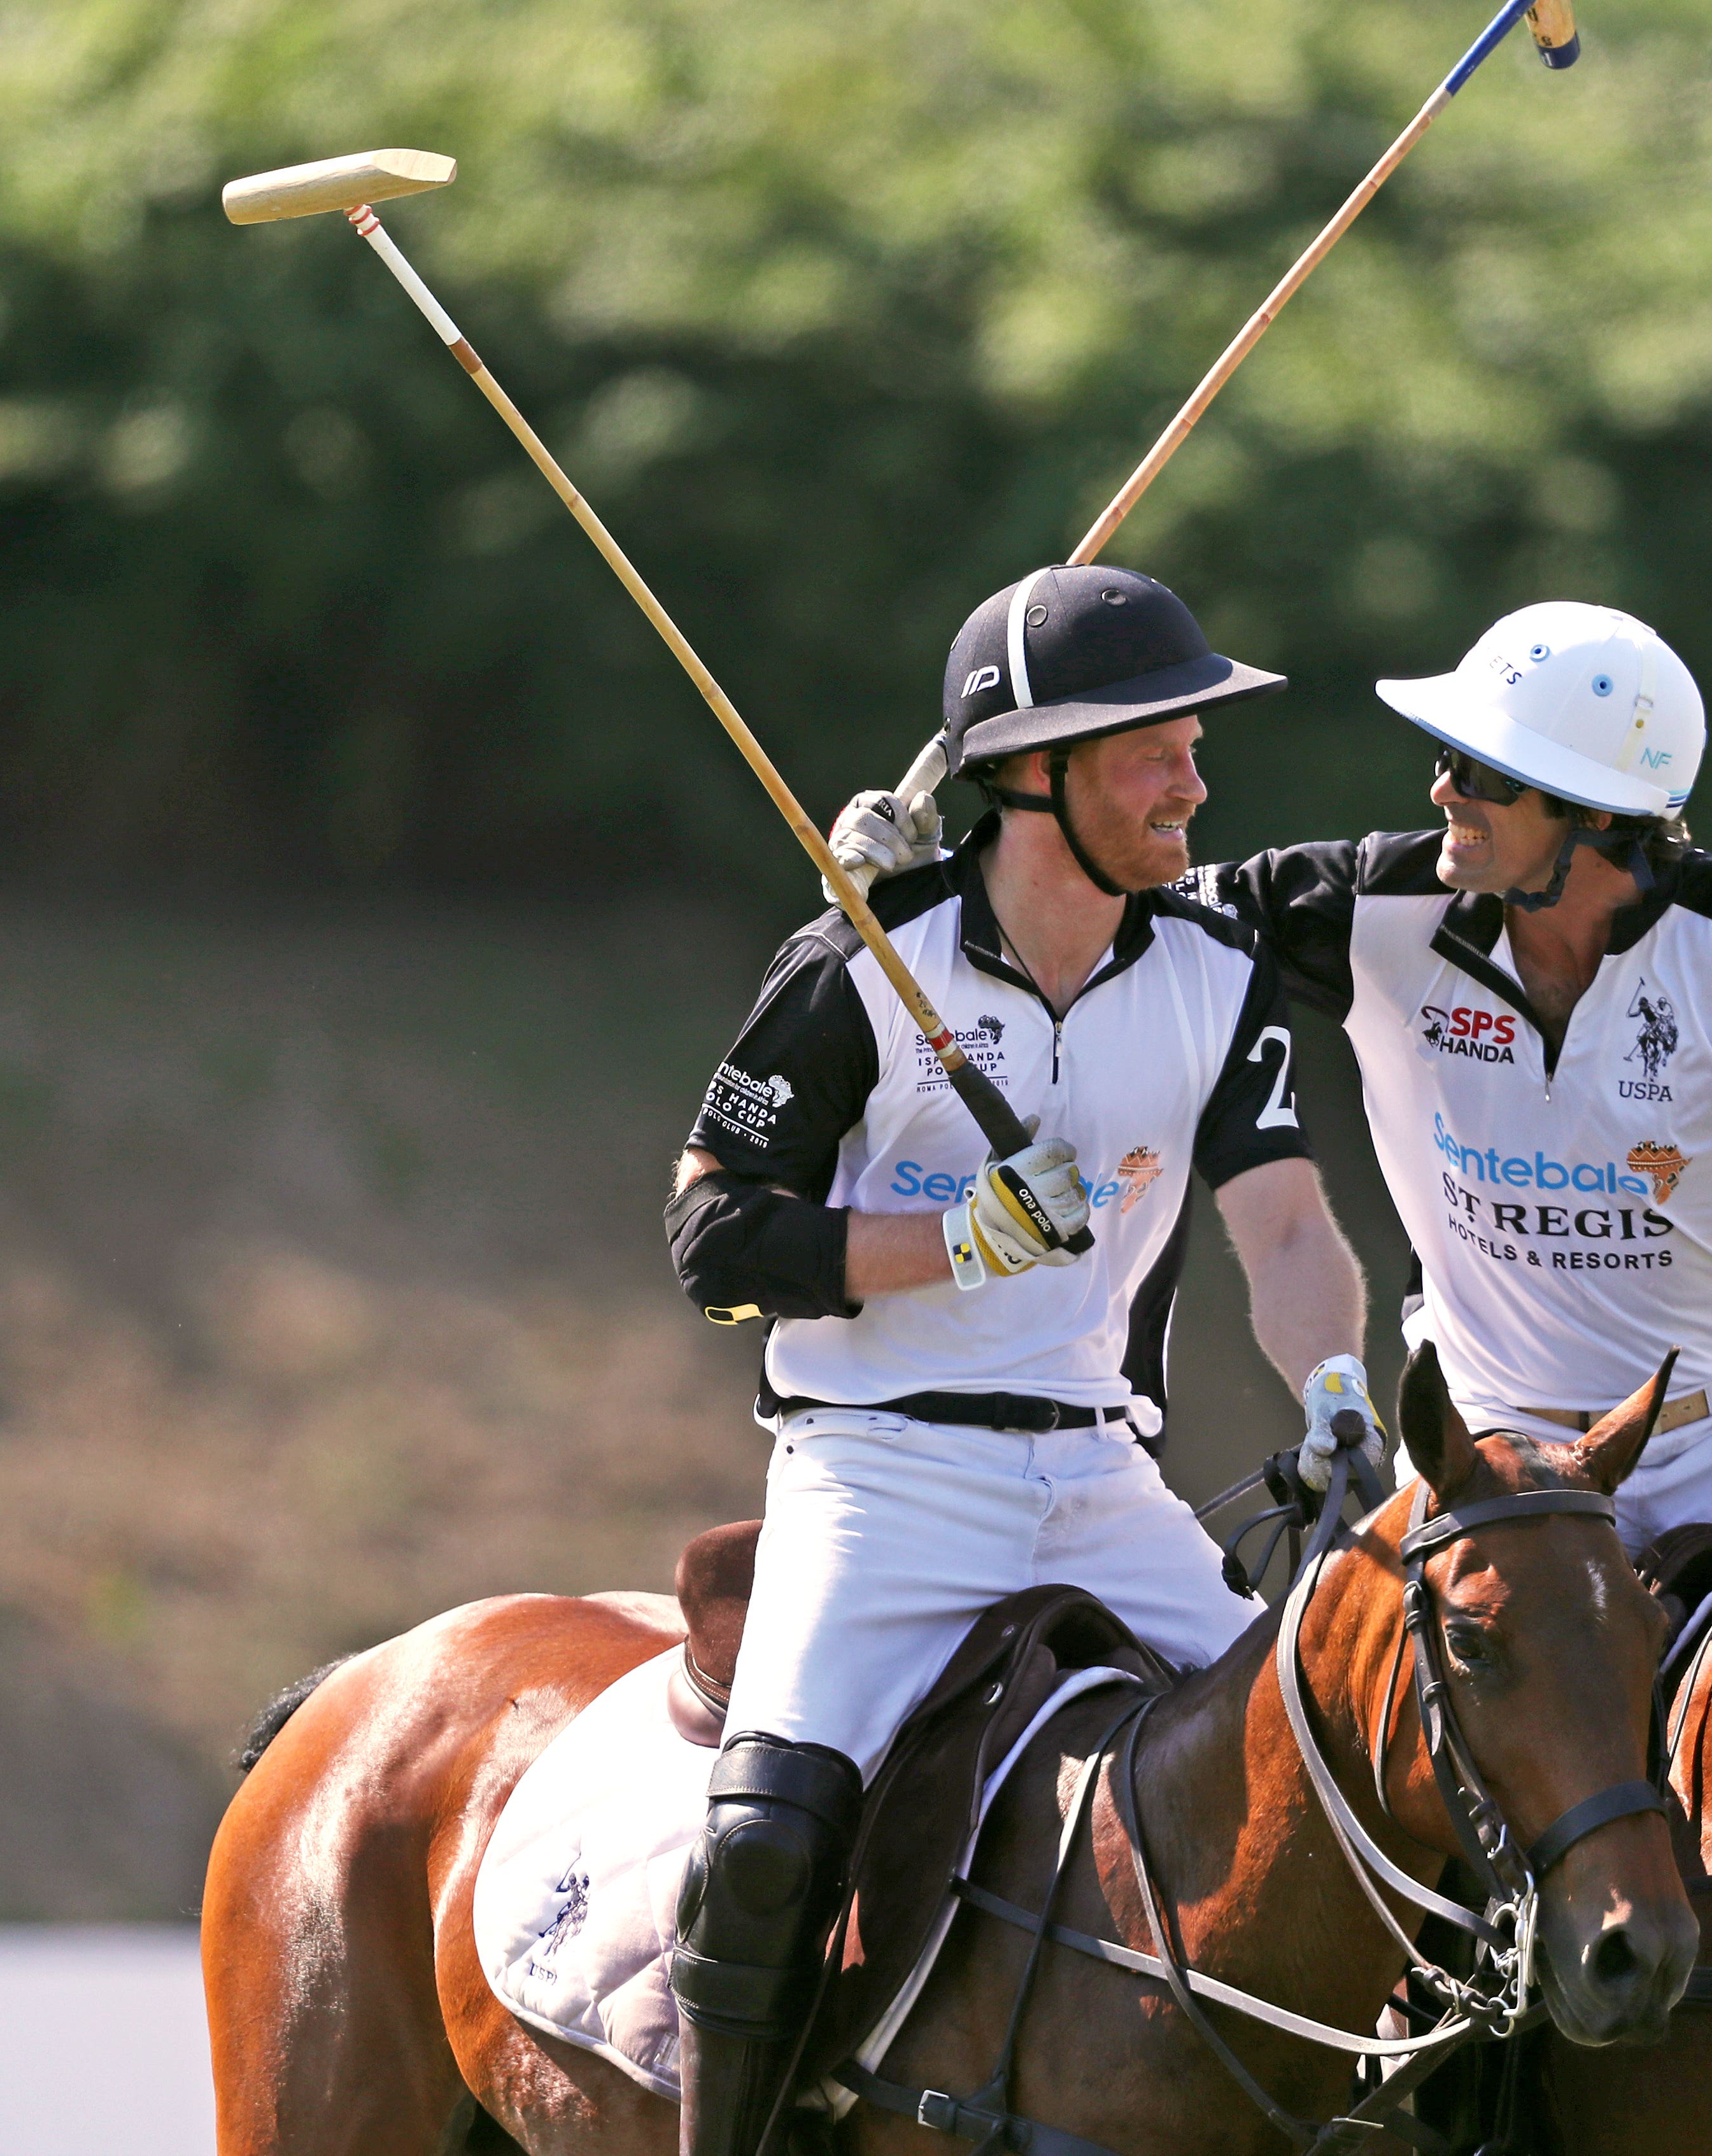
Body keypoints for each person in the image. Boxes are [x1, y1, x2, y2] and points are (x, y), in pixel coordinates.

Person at [838, 598, 1712, 2156]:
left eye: (1477, 777)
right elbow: (1110, 888)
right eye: (1444, 767)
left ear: (1591, 825)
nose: (1438, 794)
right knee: (1402, 1770)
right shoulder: (1370, 900)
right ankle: (1409, 2101)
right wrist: (915, 873)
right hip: (1486, 1467)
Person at [661, 564, 1375, 2156]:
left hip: (1101, 1478)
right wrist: (946, 1244)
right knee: (770, 1837)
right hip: (879, 1471)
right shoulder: (862, 957)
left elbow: (1282, 1229)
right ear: (1034, 774)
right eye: (1155, 749)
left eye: (1194, 742)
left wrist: (1337, 1393)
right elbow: (710, 1241)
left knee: (1344, 1763)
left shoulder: (1215, 970)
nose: (1196, 780)